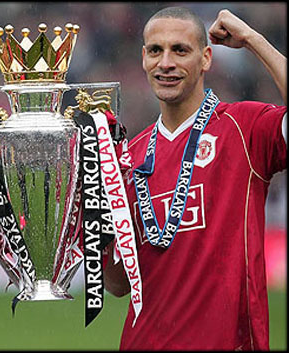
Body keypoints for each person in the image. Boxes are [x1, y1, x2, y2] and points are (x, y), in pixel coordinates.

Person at [104, 7, 286, 351]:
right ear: (143, 59)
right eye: (156, 50)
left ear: (206, 59)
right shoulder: (128, 160)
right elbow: (118, 285)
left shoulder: (245, 127)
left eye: (180, 50)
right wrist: (95, 228)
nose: (166, 63)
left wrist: (253, 40)